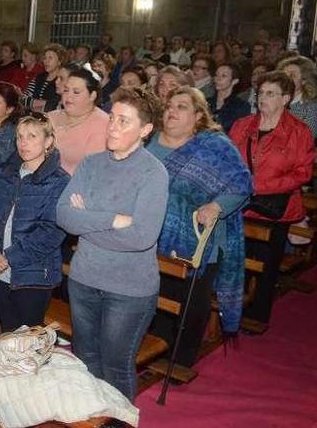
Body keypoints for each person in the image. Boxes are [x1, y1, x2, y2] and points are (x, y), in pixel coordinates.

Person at [56, 87, 168, 401]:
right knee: (86, 360)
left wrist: (87, 217)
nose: (113, 127)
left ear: (145, 130)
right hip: (84, 279)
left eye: (124, 121)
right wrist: (111, 219)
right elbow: (64, 215)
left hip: (128, 290)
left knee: (116, 366)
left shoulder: (153, 173)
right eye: (112, 119)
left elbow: (141, 237)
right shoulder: (91, 164)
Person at [147, 87, 252, 366]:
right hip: (149, 236)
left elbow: (242, 184)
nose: (172, 110)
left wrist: (217, 206)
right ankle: (153, 350)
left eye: (182, 106)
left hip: (197, 241)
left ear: (198, 116)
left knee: (190, 304)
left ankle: (180, 361)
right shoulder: (147, 140)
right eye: (169, 104)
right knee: (154, 296)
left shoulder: (213, 145)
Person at [229, 71, 315, 326]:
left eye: (270, 93)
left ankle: (256, 317)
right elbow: (229, 159)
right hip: (241, 206)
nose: (262, 98)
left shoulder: (299, 132)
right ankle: (232, 313)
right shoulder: (243, 125)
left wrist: (260, 186)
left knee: (266, 267)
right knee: (237, 265)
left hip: (275, 209)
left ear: (285, 99)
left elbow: (302, 173)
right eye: (261, 92)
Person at [0, 113, 69, 332]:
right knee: (8, 334)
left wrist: (8, 257)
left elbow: (50, 232)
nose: (23, 142)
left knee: (27, 340)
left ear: (48, 141)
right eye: (19, 136)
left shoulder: (59, 181)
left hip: (33, 274)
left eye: (32, 136)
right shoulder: (4, 173)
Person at [48, 67, 110, 175]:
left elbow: (93, 171)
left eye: (76, 92)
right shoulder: (50, 117)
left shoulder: (103, 124)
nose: (68, 96)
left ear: (92, 96)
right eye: (66, 90)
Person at [278, 55, 317, 138]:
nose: (286, 79)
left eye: (292, 75)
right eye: (284, 75)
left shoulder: (311, 108)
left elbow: (306, 138)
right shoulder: (273, 101)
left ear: (304, 80)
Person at [23, 43, 66, 112]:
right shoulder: (39, 77)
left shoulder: (63, 80)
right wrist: (45, 103)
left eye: (50, 58)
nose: (46, 61)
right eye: (45, 58)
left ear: (59, 61)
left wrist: (33, 103)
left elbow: (58, 104)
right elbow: (23, 99)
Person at [213, 63, 251, 131]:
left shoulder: (241, 106)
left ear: (234, 81)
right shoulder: (206, 102)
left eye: (223, 76)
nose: (218, 79)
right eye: (216, 75)